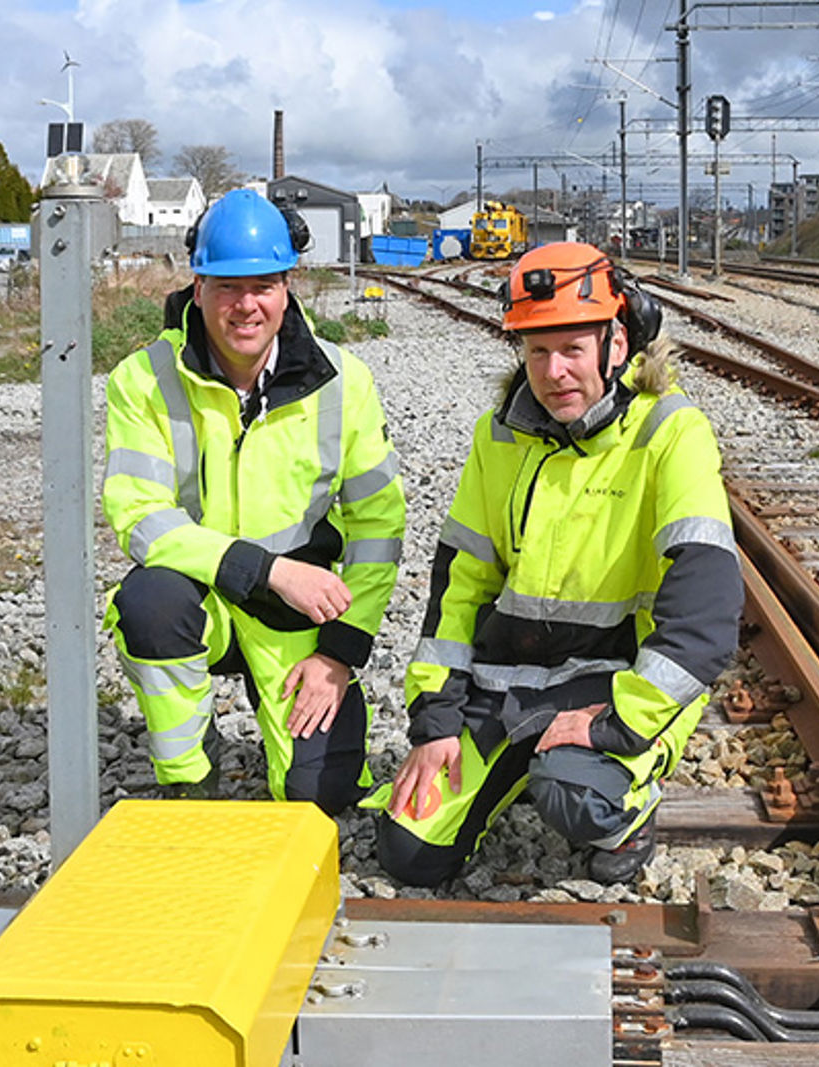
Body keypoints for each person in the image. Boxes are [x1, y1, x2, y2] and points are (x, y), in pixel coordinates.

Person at [373, 241, 743, 885]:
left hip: (614, 684)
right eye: (537, 351)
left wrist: (622, 722)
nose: (554, 372)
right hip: (507, 688)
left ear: (616, 344)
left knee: (575, 798)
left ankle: (626, 810)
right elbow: (460, 587)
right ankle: (520, 762)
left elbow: (705, 613)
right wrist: (436, 719)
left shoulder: (670, 432)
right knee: (409, 853)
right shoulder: (499, 436)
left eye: (572, 348)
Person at [101, 189, 405, 815]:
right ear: (198, 287)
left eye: (263, 286)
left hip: (295, 616)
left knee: (320, 797)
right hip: (202, 598)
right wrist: (266, 571)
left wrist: (339, 652)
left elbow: (380, 526)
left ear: (287, 288)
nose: (246, 306)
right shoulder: (144, 380)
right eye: (227, 287)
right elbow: (139, 515)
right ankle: (190, 776)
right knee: (149, 602)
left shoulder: (343, 382)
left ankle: (310, 738)